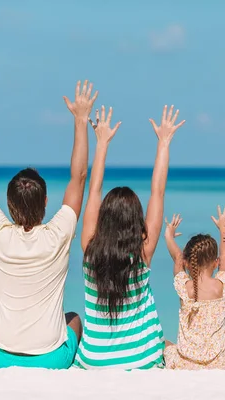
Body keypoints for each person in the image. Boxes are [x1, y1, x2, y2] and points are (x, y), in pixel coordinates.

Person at [0, 79, 98, 369]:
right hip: (52, 360)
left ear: (8, 206)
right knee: (74, 319)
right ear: (46, 203)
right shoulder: (58, 234)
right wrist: (81, 120)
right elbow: (79, 177)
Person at [73, 105, 185, 370]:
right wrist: (164, 142)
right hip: (142, 361)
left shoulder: (89, 251)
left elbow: (94, 191)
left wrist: (101, 144)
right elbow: (157, 193)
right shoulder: (142, 254)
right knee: (171, 347)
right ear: (137, 222)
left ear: (104, 219)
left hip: (94, 361)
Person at [161, 206, 225, 370]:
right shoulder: (221, 286)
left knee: (163, 342)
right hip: (217, 364)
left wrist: (169, 236)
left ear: (187, 263)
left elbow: (178, 258)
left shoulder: (184, 287)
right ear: (216, 263)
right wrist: (224, 229)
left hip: (185, 363)